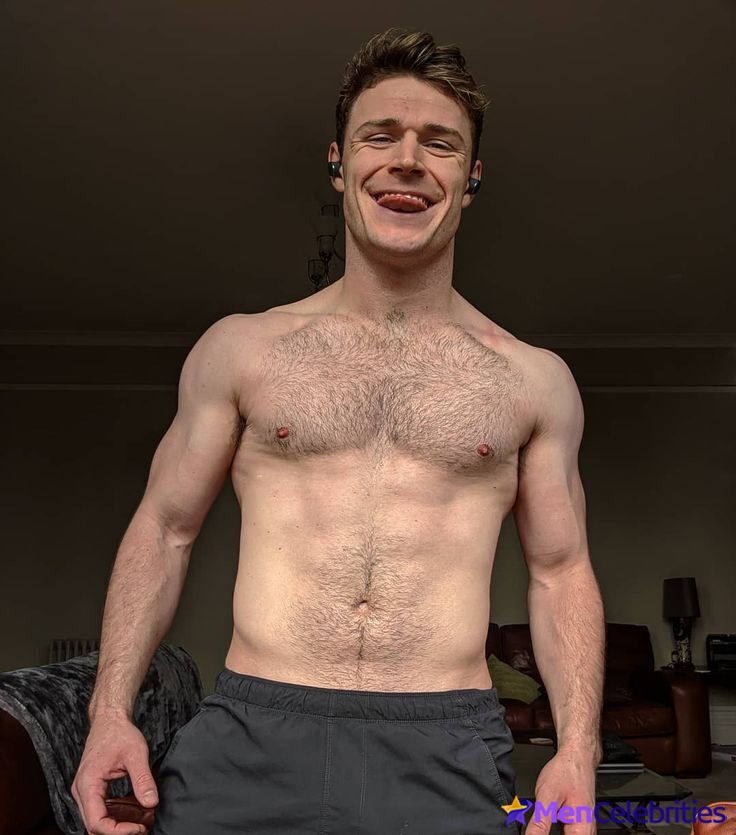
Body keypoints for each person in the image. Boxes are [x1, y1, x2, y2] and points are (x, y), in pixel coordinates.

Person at [72, 27, 605, 835]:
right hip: (251, 735)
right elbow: (165, 529)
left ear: (470, 179)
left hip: (445, 745)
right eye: (378, 136)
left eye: (440, 143)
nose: (407, 160)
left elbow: (561, 573)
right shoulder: (242, 349)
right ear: (338, 162)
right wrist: (109, 712)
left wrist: (579, 748)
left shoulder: (534, 380)